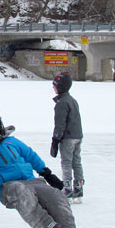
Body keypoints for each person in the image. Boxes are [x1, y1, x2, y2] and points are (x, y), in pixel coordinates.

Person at [50, 72, 84, 202]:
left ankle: (67, 190)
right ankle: (79, 188)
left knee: (66, 163)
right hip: (77, 135)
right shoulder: (72, 100)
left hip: (68, 138)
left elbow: (60, 124)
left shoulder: (62, 103)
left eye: (54, 85)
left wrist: (55, 140)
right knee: (76, 162)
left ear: (61, 87)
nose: (53, 88)